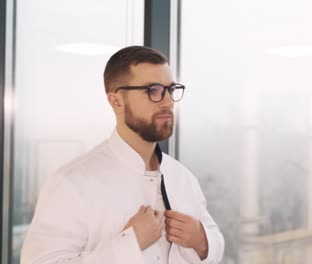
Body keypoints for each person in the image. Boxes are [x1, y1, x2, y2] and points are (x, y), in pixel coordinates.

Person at [20, 46, 225, 264]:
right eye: (153, 90)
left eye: (171, 90)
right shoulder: (71, 183)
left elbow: (213, 243)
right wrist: (130, 244)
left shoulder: (183, 178)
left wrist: (201, 240)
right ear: (116, 101)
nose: (168, 102)